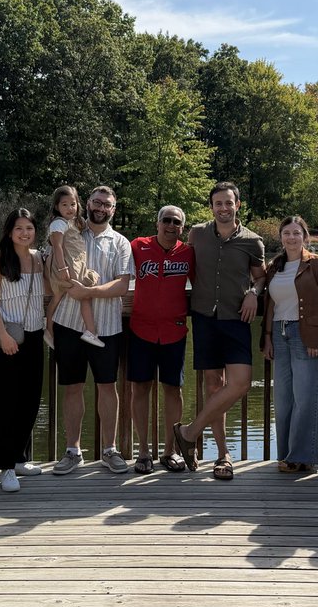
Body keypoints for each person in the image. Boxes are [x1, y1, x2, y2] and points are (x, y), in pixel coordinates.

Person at [172, 182, 266, 482]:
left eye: (228, 203)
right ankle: (223, 455)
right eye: (218, 203)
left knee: (240, 383)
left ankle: (188, 432)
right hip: (203, 318)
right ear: (211, 206)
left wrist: (253, 292)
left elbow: (261, 278)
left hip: (236, 318)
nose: (223, 208)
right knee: (214, 385)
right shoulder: (197, 234)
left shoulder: (253, 241)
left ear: (238, 204)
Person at [50, 185, 133, 475]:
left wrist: (89, 292)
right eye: (96, 202)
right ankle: (73, 451)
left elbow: (123, 285)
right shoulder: (72, 231)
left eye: (106, 204)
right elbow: (54, 263)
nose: (101, 208)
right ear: (87, 203)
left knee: (107, 387)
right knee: (72, 388)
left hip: (107, 328)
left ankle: (109, 450)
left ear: (113, 209)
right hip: (68, 324)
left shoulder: (121, 242)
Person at [261, 216, 318, 472]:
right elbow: (271, 304)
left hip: (305, 335)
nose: (292, 237)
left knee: (307, 397)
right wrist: (266, 337)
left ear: (305, 237)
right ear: (281, 237)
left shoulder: (317, 263)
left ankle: (303, 457)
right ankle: (286, 454)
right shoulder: (275, 266)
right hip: (279, 333)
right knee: (284, 399)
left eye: (297, 232)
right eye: (287, 232)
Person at [0, 208, 49, 492]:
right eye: (19, 228)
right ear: (9, 231)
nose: (25, 233)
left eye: (29, 228)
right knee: (5, 403)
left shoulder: (39, 259)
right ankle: (6, 466)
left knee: (30, 398)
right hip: (8, 338)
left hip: (35, 336)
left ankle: (20, 457)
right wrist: (2, 334)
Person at [127, 206, 195, 474]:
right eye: (166, 220)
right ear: (157, 224)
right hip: (141, 329)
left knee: (173, 390)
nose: (170, 225)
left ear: (182, 228)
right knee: (140, 389)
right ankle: (142, 451)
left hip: (174, 331)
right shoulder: (137, 246)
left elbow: (205, 283)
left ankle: (170, 451)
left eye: (176, 222)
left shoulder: (188, 253)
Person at [46, 185, 104, 349]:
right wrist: (63, 269)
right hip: (67, 267)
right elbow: (57, 247)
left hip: (74, 265)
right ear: (57, 207)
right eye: (64, 204)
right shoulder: (58, 224)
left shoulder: (72, 222)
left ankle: (49, 332)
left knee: (57, 298)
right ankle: (90, 331)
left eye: (73, 204)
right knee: (84, 294)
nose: (69, 208)